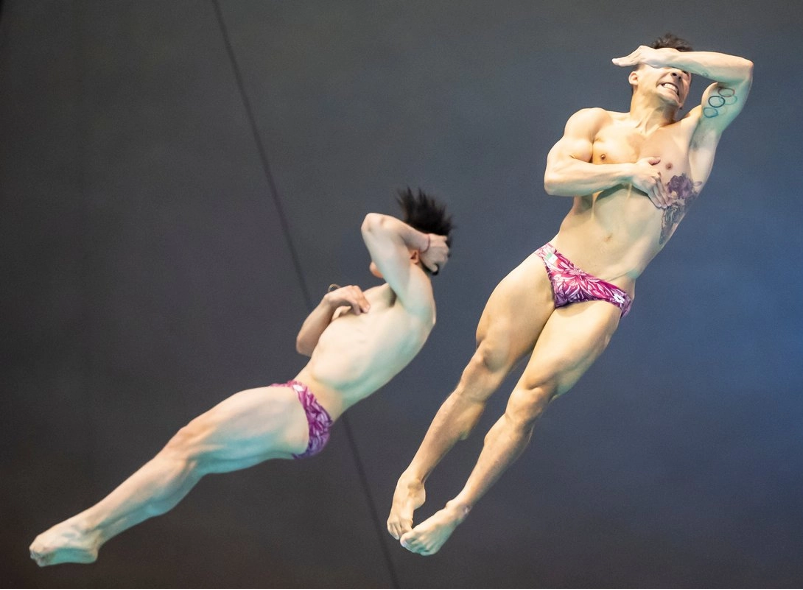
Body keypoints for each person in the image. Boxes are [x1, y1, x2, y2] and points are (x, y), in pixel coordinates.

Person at [388, 34, 753, 556]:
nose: (675, 76)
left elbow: (742, 72)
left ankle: (458, 507)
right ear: (633, 74)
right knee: (480, 370)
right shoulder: (596, 122)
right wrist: (628, 170)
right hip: (553, 261)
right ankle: (414, 477)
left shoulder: (697, 133)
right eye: (660, 66)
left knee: (529, 398)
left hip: (605, 289)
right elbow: (556, 177)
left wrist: (670, 57)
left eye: (683, 72)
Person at [30, 188, 452, 566]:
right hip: (300, 406)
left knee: (187, 442)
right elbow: (306, 345)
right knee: (192, 459)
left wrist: (426, 241)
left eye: (404, 241)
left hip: (303, 407)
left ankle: (87, 528)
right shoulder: (373, 298)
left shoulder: (417, 301)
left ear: (411, 251)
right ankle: (97, 534)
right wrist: (329, 303)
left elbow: (373, 225)